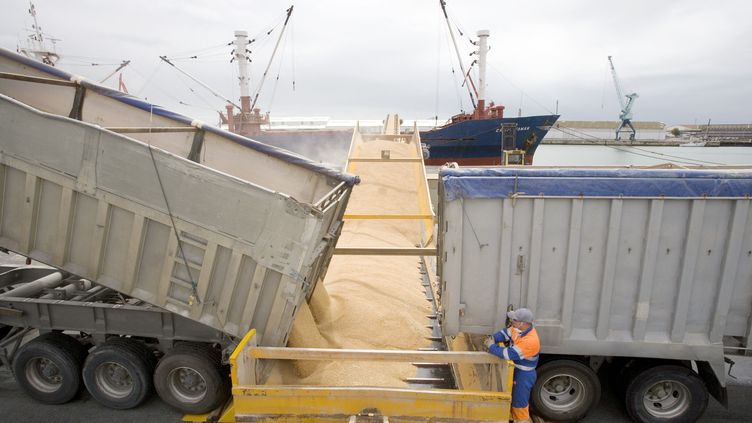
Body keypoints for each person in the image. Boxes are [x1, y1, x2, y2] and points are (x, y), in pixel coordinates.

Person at [484, 308, 540, 423]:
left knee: (519, 404)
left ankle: (521, 421)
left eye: (514, 320)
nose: (511, 321)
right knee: (514, 400)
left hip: (524, 375)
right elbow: (504, 333)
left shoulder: (530, 341)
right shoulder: (518, 329)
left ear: (522, 323)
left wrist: (491, 346)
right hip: (517, 370)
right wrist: (493, 338)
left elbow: (507, 354)